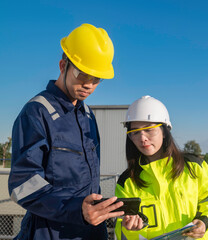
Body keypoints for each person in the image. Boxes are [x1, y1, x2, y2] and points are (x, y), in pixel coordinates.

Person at [8, 23, 125, 240]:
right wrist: (75, 208)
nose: (89, 84)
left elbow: (90, 182)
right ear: (63, 65)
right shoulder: (36, 113)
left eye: (96, 78)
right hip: (49, 233)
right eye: (83, 74)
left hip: (91, 232)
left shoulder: (88, 116)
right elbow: (22, 184)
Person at [114, 95, 208, 239]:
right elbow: (122, 232)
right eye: (135, 132)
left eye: (149, 129)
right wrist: (130, 229)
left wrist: (205, 221)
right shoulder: (126, 182)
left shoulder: (193, 166)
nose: (142, 138)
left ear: (165, 131)